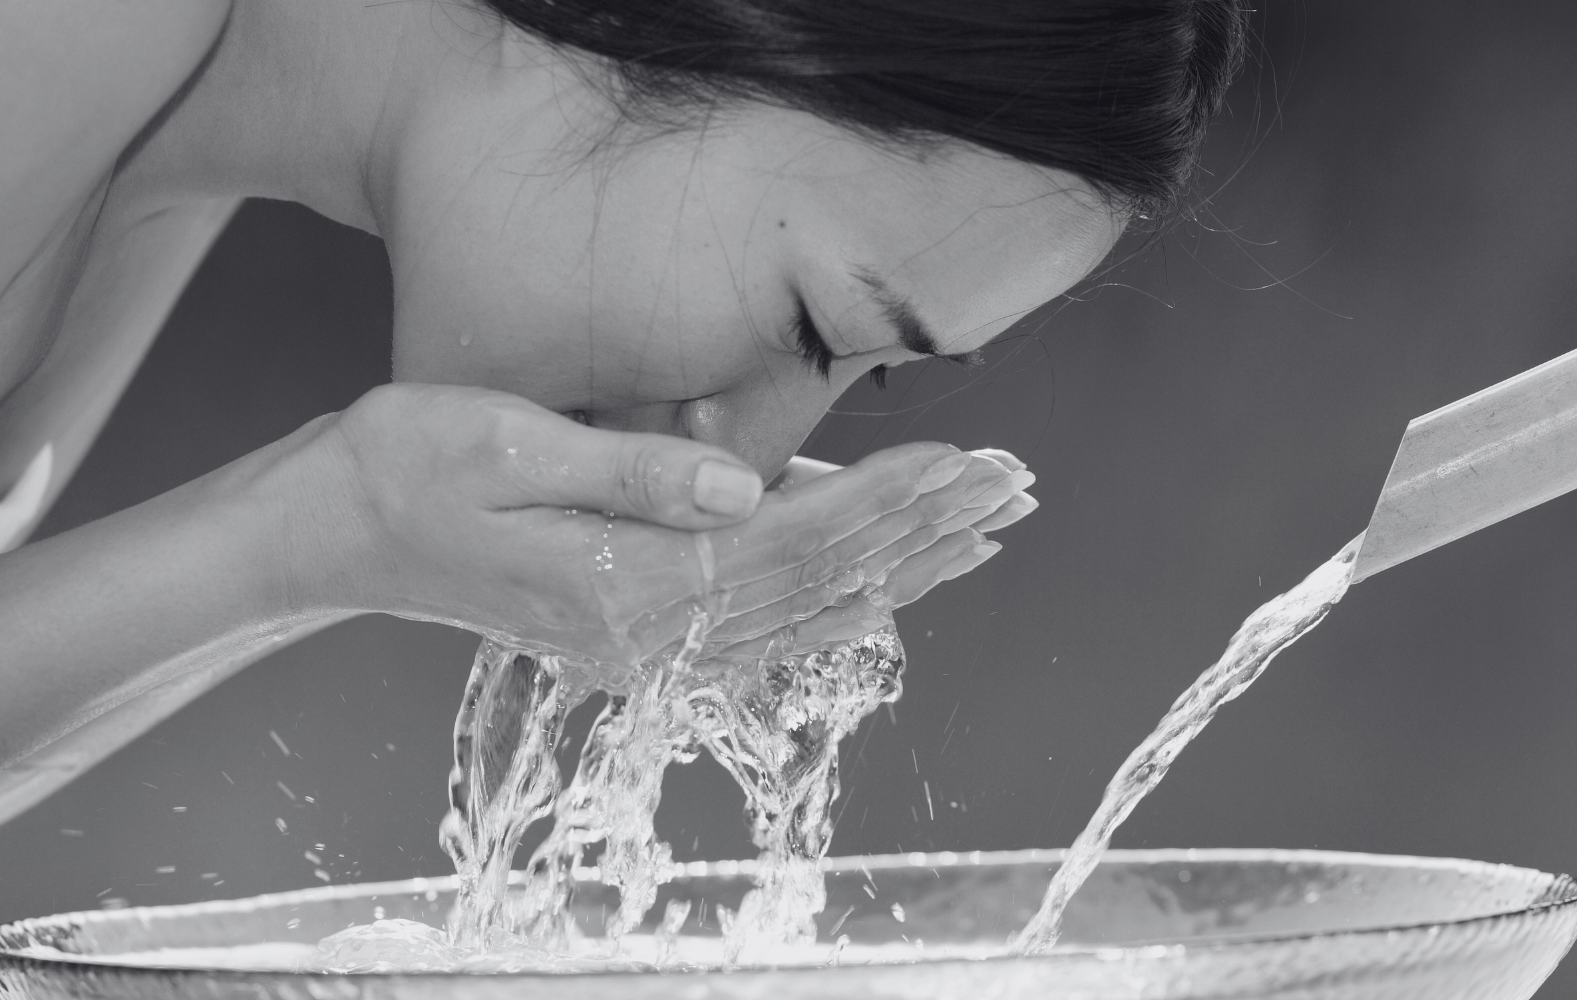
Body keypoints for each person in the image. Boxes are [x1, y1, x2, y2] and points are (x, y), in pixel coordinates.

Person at [0, 0, 1246, 824]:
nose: (744, 460)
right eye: (811, 320)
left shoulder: (159, 153)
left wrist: (335, 540)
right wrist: (309, 536)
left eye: (858, 373)